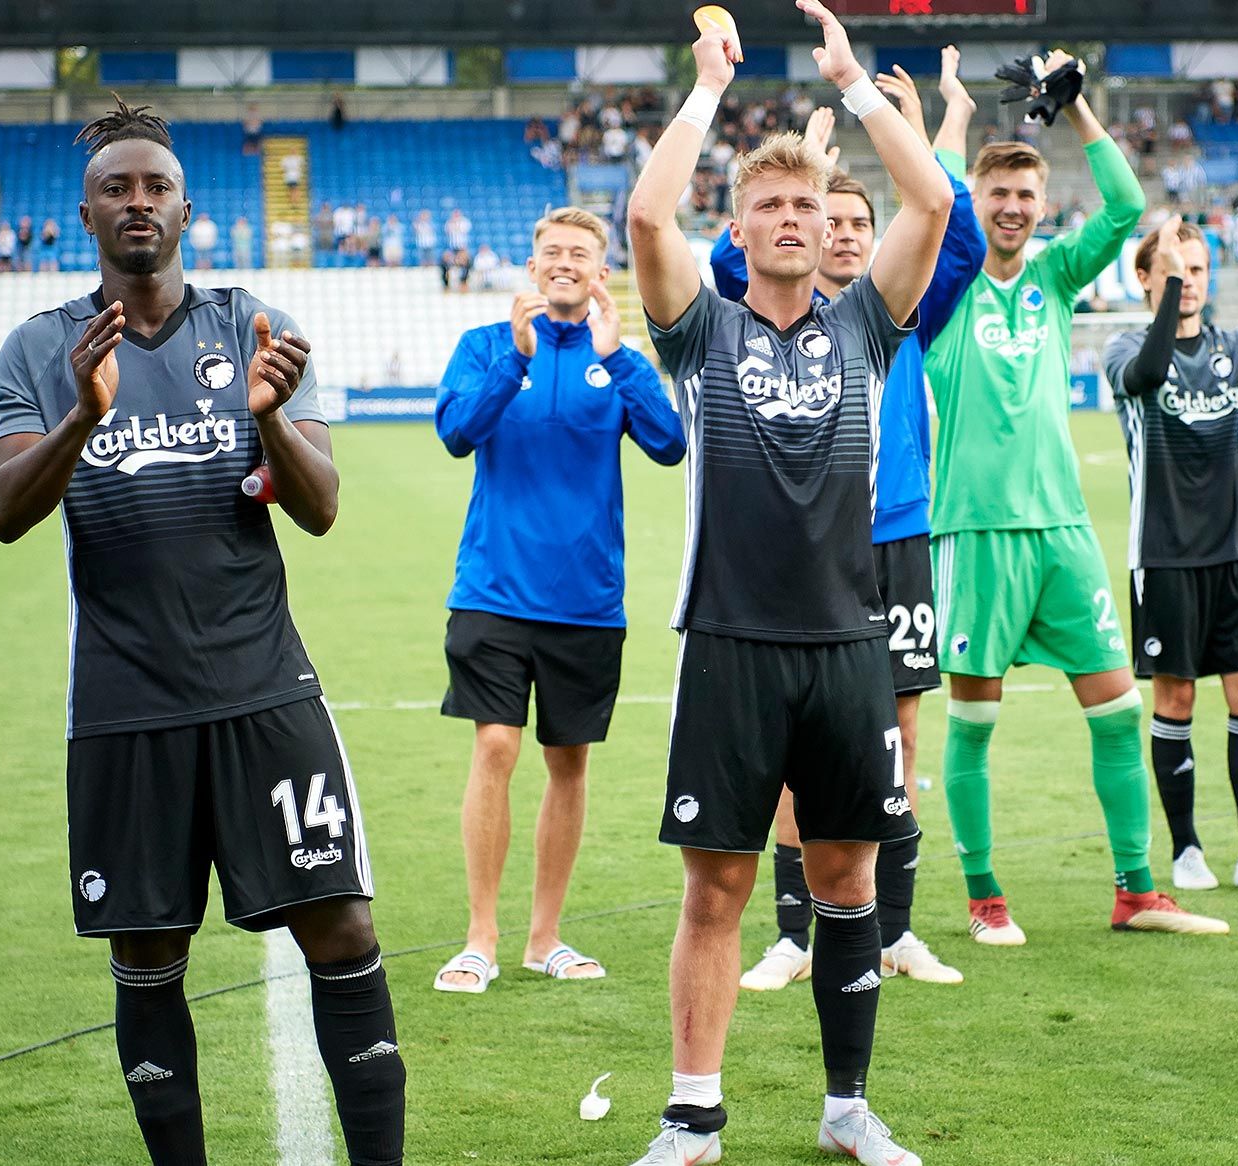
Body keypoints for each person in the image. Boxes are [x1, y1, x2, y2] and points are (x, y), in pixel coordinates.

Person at [0, 99, 404, 1165]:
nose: (138, 202)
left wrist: (267, 414)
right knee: (149, 952)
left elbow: (320, 506)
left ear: (185, 206)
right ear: (85, 213)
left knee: (343, 929)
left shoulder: (248, 320)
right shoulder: (40, 349)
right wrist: (80, 415)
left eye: (155, 186)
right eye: (117, 188)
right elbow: (4, 513)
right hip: (126, 706)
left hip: (266, 691)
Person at [622, 1, 950, 1160]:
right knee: (715, 890)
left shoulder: (868, 326)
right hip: (728, 637)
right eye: (769, 205)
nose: (793, 218)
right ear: (742, 225)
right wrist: (708, 86)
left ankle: (848, 1103)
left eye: (808, 205)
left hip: (850, 642)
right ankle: (693, 1110)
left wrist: (855, 85)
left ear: (828, 226)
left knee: (846, 873)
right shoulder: (698, 333)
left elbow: (933, 203)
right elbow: (647, 213)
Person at [924, 50, 1226, 944]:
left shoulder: (1057, 279)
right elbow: (932, 197)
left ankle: (1138, 890)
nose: (1012, 208)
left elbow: (1131, 210)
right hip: (974, 531)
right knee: (974, 724)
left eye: (1026, 195)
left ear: (1042, 206)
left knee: (1117, 708)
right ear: (977, 206)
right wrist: (950, 113)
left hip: (1062, 531)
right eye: (997, 196)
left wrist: (1080, 111)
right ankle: (984, 898)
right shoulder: (943, 292)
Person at [714, 54, 986, 994]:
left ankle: (894, 929)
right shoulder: (770, 308)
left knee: (899, 739)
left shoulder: (895, 311)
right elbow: (726, 254)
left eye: (855, 222)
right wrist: (814, 158)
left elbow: (949, 225)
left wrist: (926, 124)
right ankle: (795, 932)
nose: (838, 234)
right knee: (797, 754)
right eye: (828, 220)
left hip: (897, 531)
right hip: (804, 555)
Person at [428, 205, 682, 994]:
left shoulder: (619, 358)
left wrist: (623, 359)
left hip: (587, 602)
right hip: (494, 592)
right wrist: (516, 357)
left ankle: (544, 938)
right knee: (496, 747)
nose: (565, 262)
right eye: (552, 251)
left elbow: (671, 446)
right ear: (532, 265)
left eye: (580, 252)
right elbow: (455, 433)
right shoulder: (485, 346)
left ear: (599, 271)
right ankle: (481, 937)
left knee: (566, 763)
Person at [1104, 214, 1238, 896]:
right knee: (1177, 698)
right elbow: (1152, 371)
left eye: (1196, 271)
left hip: (1235, 554)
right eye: (1174, 270)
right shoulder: (1123, 348)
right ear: (1145, 279)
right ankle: (1187, 849)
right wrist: (1168, 286)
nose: (1188, 282)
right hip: (1164, 558)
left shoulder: (1231, 345)